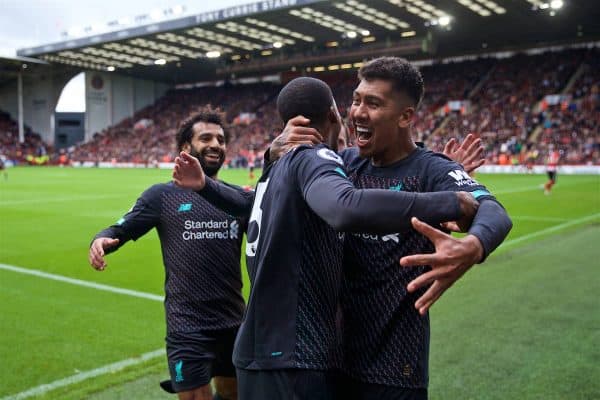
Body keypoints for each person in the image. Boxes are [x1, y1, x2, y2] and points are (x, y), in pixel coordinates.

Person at [172, 77, 481, 400]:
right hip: (295, 354)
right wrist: (451, 200)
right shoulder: (315, 157)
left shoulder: (276, 170)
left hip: (258, 352)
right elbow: (344, 207)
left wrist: (211, 184)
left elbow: (251, 205)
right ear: (333, 115)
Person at [275, 57, 512, 399]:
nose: (357, 112)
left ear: (405, 116)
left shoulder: (430, 170)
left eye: (373, 103)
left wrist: (472, 246)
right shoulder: (343, 163)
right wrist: (274, 152)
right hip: (330, 358)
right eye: (356, 100)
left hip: (394, 368)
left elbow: (493, 211)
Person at [88, 108, 243, 400]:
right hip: (187, 328)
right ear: (186, 147)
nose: (216, 145)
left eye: (221, 139)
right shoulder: (162, 196)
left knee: (234, 394)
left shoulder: (235, 198)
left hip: (234, 324)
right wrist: (102, 239)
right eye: (206, 137)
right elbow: (121, 227)